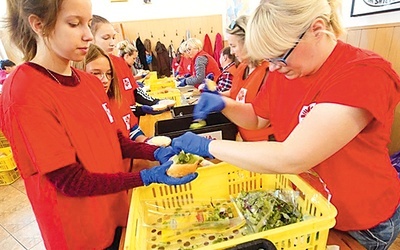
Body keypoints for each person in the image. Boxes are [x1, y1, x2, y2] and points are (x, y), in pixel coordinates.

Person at [171, 0, 400, 249]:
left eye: (279, 55)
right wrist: (225, 105)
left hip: (361, 224)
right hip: (313, 205)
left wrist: (209, 146)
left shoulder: (364, 73)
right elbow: (258, 118)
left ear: (317, 29)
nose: (272, 67)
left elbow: (293, 156)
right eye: (267, 59)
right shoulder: (285, 70)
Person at [0, 1, 197, 249]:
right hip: (80, 232)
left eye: (88, 23)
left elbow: (114, 140)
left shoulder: (89, 83)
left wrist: (154, 151)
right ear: (38, 25)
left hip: (112, 211)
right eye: (74, 24)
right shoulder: (25, 90)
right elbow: (69, 181)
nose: (88, 35)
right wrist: (145, 177)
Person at [90, 15, 162, 119]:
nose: (112, 43)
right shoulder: (88, 70)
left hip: (131, 122)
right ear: (90, 38)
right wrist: (138, 109)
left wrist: (155, 102)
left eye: (113, 37)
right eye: (106, 38)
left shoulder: (119, 63)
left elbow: (134, 90)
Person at [220, 15, 273, 141]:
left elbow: (259, 118)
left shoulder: (269, 73)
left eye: (233, 46)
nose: (231, 52)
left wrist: (221, 103)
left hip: (264, 145)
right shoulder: (243, 67)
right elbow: (238, 93)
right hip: (244, 138)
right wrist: (217, 94)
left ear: (249, 43)